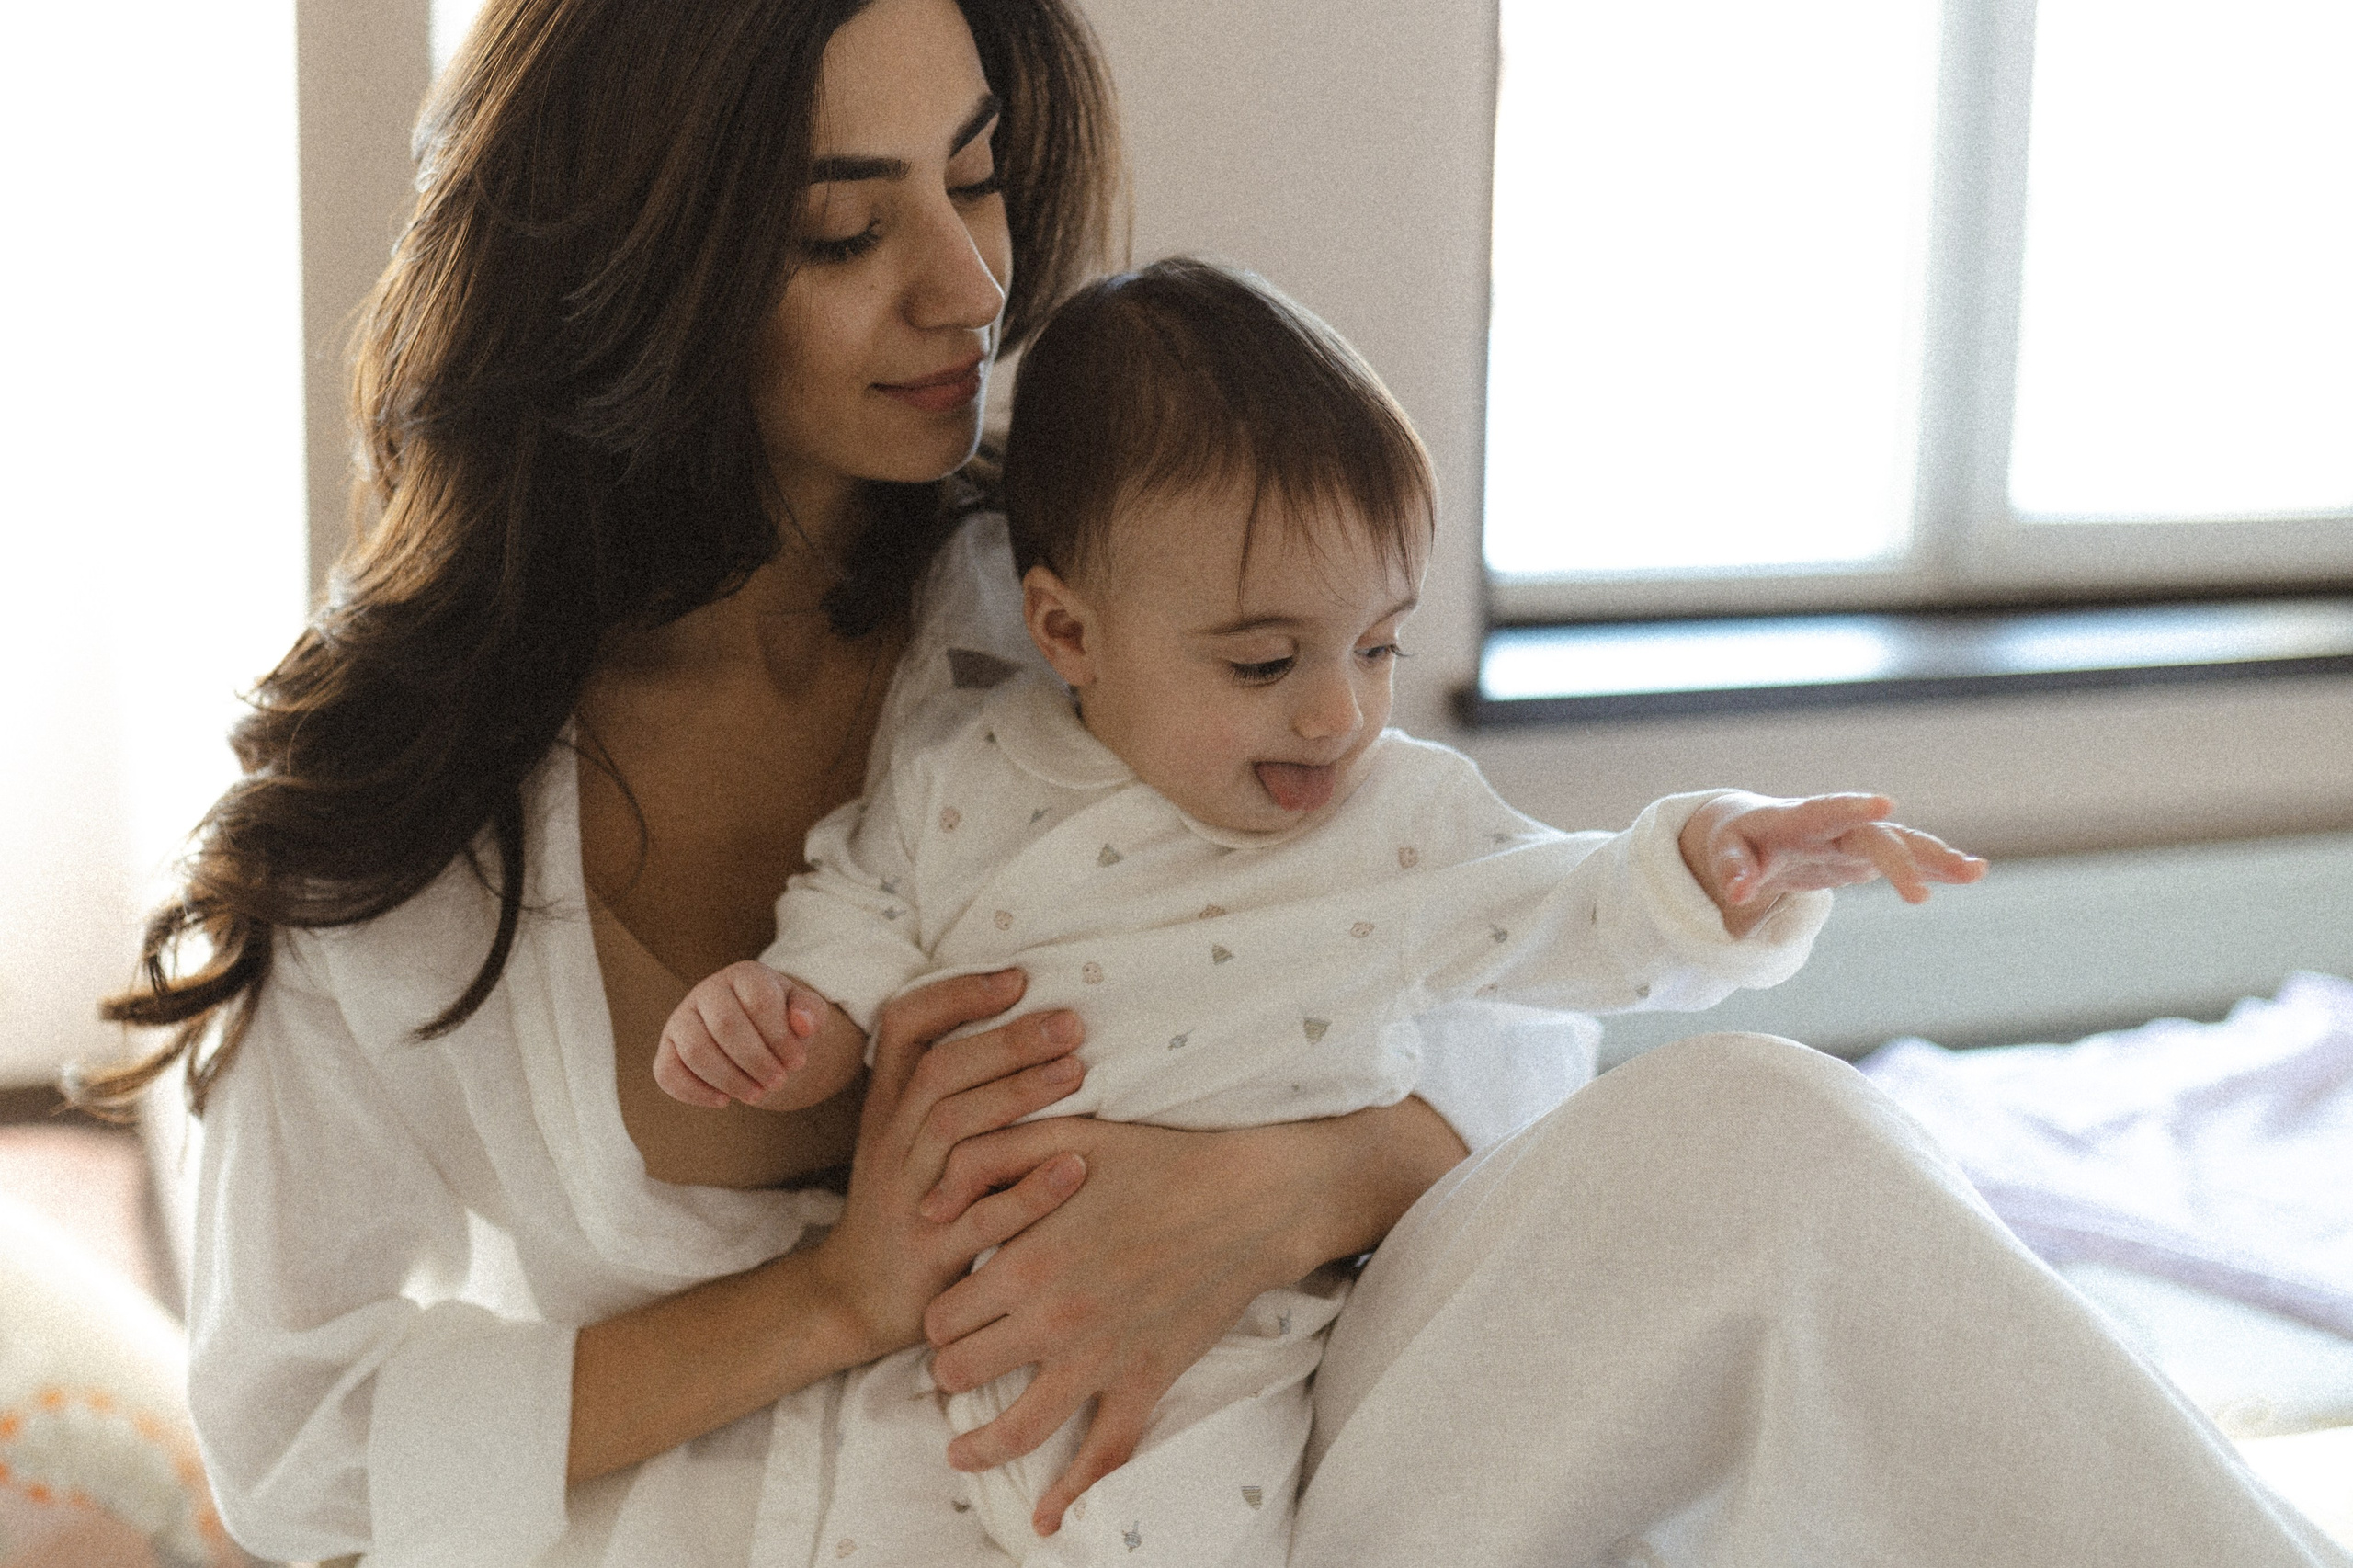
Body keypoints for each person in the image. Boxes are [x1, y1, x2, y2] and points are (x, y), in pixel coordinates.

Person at [82, 0, 2350, 1562]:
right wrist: (831, 1297)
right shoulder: (398, 820)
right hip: (800, 1526)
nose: (970, 282)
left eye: (972, 182)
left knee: (1757, 1141)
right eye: (840, 228)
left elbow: (1457, 951)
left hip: (1272, 1465)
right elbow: (303, 1445)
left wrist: (1291, 1179)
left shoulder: (1067, 598)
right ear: (637, 270)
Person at [649, 257, 1985, 1564]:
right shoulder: (960, 775)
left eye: (1379, 644)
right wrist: (786, 1021)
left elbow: (1575, 907)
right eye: (1265, 659)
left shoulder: (1398, 821)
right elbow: (857, 927)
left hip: (1241, 1357)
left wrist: (1715, 860)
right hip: (952, 1353)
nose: (1337, 711)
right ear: (1068, 634)